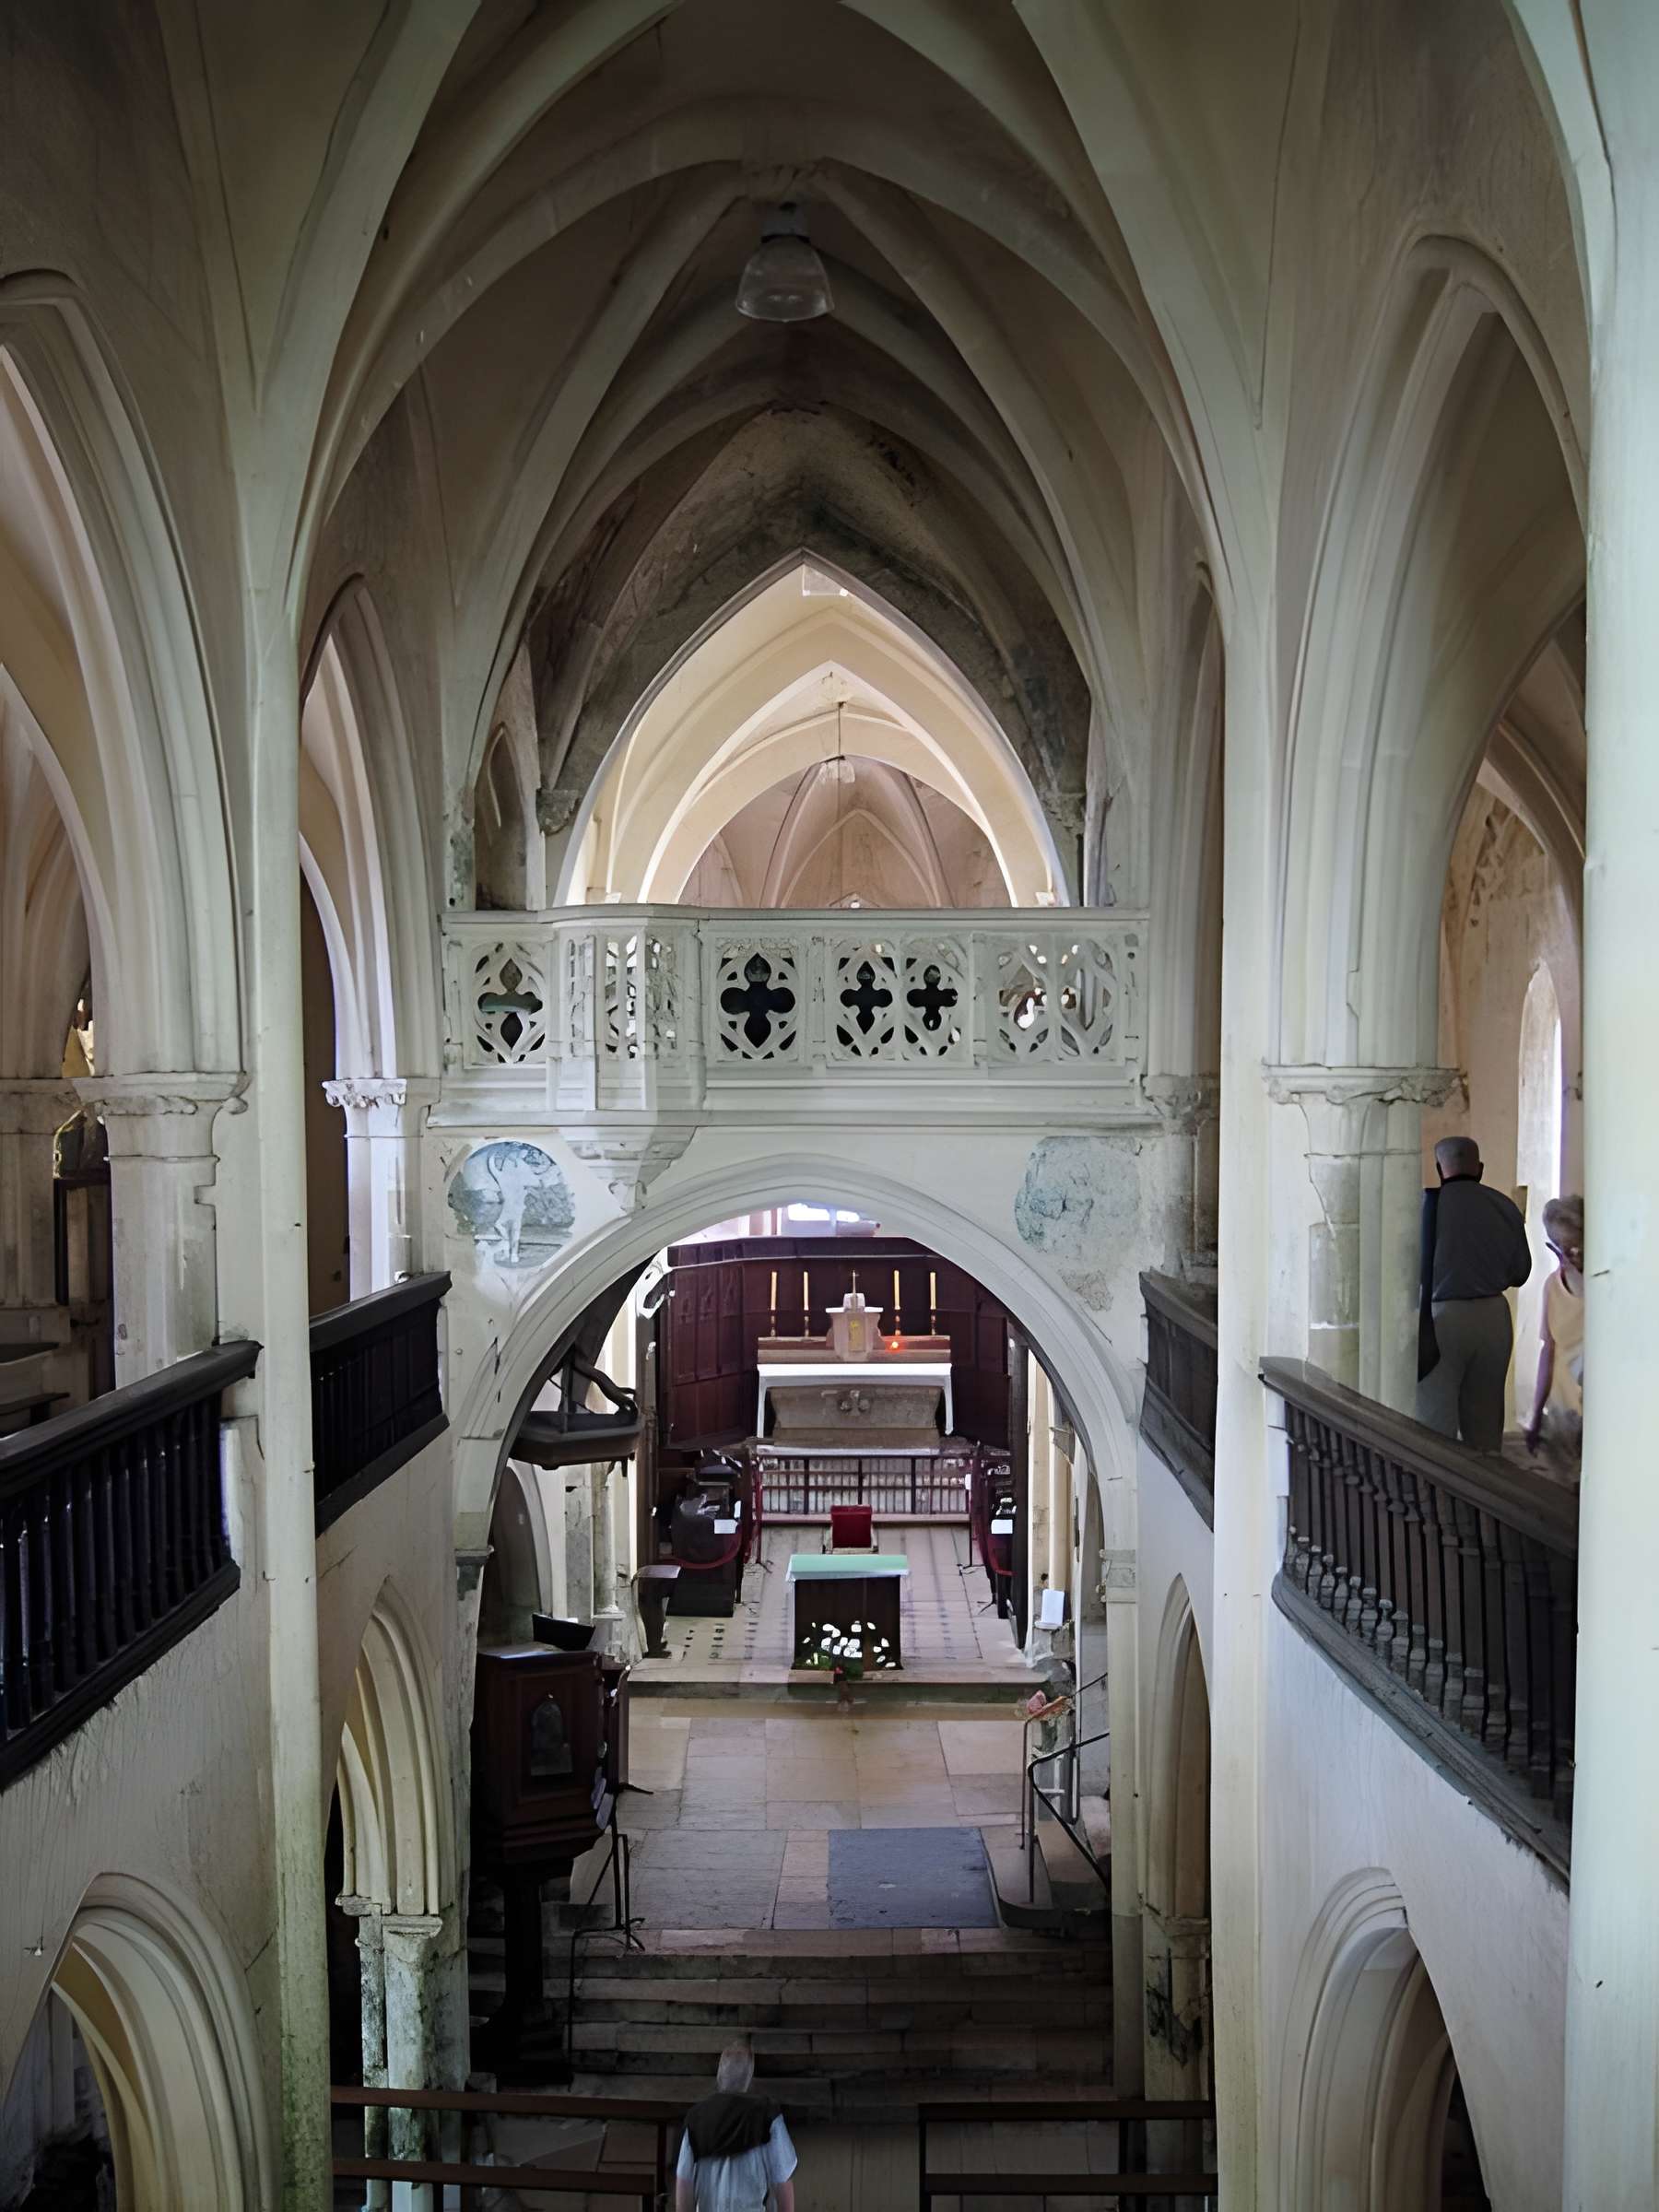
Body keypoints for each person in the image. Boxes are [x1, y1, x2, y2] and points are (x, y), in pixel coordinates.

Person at [1414, 1135, 1532, 1452]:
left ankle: (1438, 1498)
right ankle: (1483, 1498)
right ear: (1480, 1168)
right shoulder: (1504, 1206)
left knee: (1435, 1426)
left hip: (1441, 1320)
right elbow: (1521, 1272)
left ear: (1439, 1169)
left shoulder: (1425, 1208)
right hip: (1493, 1316)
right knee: (1485, 1423)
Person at [676, 2041, 797, 2211]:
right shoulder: (767, 2115)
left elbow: (684, 2185)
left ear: (719, 2074)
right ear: (749, 2076)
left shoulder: (696, 2118)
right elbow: (782, 2179)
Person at [1524, 1194, 1584, 1478]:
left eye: (1575, 1247)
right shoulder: (1552, 1286)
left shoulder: (1605, 1284)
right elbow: (1548, 1350)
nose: (1568, 1255)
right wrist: (1536, 1414)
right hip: (1563, 1410)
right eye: (1559, 1247)